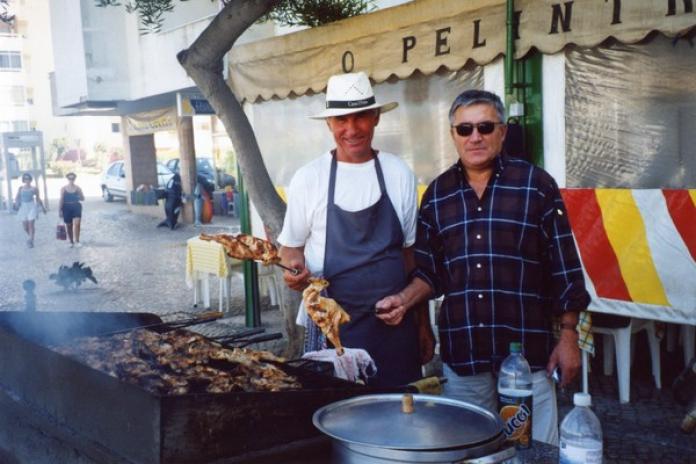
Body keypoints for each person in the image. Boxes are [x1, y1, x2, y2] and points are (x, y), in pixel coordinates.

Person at [375, 90, 591, 445]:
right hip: (465, 356)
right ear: (453, 135)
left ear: (502, 132)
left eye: (485, 127)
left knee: (533, 451)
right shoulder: (438, 194)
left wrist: (569, 337)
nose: (475, 137)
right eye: (465, 129)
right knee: (470, 451)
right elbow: (431, 273)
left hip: (526, 356)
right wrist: (404, 299)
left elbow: (564, 269)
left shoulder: (536, 185)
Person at [278, 71, 433, 388]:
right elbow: (290, 248)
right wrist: (294, 269)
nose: (352, 129)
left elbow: (409, 256)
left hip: (395, 322)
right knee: (335, 414)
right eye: (341, 119)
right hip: (331, 326)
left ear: (376, 117)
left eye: (361, 116)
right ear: (328, 124)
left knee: (399, 416)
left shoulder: (397, 172)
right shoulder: (310, 178)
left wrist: (423, 325)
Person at [14, 172, 46, 248]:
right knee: (25, 226)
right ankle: (31, 237)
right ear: (23, 180)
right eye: (25, 179)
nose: (27, 180)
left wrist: (43, 207)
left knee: (31, 224)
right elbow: (17, 197)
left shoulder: (34, 189)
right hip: (23, 207)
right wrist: (16, 203)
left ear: (30, 180)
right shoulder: (21, 188)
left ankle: (31, 240)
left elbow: (38, 198)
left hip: (32, 206)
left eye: (28, 179)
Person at [58, 172, 85, 247]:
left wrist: (79, 196)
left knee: (77, 224)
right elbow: (61, 199)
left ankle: (77, 241)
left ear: (75, 179)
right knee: (69, 225)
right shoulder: (63, 189)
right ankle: (71, 241)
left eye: (73, 178)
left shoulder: (78, 188)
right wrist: (59, 210)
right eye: (70, 178)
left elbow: (83, 198)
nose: (71, 180)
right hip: (66, 207)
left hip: (76, 206)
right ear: (67, 179)